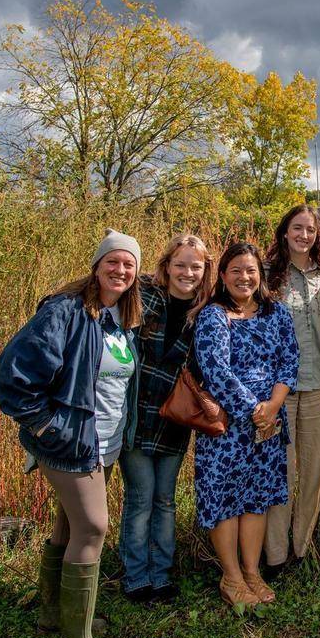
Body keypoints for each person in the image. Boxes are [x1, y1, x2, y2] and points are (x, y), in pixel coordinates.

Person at [0, 229, 142, 638]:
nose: (120, 270)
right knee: (94, 528)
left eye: (128, 265)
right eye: (112, 262)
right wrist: (45, 427)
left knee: (69, 525)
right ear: (96, 266)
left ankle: (54, 615)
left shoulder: (119, 317)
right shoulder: (66, 311)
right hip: (72, 443)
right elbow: (15, 375)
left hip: (106, 442)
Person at [193, 242, 299, 612]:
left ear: (260, 275)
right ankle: (231, 576)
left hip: (268, 422)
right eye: (236, 270)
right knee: (225, 499)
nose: (244, 277)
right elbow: (215, 371)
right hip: (226, 425)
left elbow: (289, 361)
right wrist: (253, 409)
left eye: (251, 270)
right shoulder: (213, 316)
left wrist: (272, 407)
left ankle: (253, 573)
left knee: (256, 498)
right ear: (222, 276)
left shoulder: (277, 314)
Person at [119, 234, 213, 604]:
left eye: (196, 266)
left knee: (165, 500)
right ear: (167, 266)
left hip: (175, 418)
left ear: (205, 271)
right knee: (140, 498)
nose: (187, 272)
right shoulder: (143, 295)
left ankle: (162, 575)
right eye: (181, 264)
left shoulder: (205, 311)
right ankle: (136, 576)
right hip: (137, 414)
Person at [262, 205, 320, 579]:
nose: (303, 235)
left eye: (310, 229)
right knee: (279, 472)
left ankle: (301, 548)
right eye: (297, 228)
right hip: (279, 391)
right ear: (285, 232)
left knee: (313, 472)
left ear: (317, 234)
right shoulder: (266, 275)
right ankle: (273, 556)